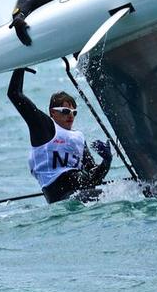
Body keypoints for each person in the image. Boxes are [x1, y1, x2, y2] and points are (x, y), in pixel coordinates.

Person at [7, 67, 112, 203]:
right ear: (52, 113)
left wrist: (106, 161)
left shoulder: (78, 138)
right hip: (63, 197)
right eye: (65, 111)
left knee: (124, 191)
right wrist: (19, 67)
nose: (70, 115)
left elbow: (94, 178)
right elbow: (14, 94)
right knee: (115, 195)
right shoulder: (44, 128)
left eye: (74, 112)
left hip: (83, 193)